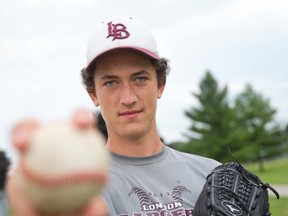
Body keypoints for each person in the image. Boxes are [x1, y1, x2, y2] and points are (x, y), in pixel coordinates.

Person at [7, 16, 220, 216]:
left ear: (160, 84)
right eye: (111, 82)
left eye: (139, 79)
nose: (127, 98)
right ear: (93, 93)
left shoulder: (213, 174)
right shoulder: (74, 189)